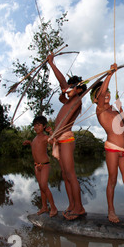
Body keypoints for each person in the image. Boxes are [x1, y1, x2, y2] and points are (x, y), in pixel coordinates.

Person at [90, 64, 124, 223]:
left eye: (108, 93)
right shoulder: (100, 111)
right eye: (103, 94)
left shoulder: (113, 110)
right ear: (96, 98)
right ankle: (111, 211)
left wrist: (120, 107)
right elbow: (101, 93)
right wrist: (110, 75)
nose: (106, 95)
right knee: (112, 180)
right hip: (112, 149)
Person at [46, 53, 86, 221]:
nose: (67, 89)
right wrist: (51, 63)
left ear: (77, 90)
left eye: (71, 87)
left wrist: (55, 135)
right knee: (64, 174)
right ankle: (71, 205)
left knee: (70, 174)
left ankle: (80, 208)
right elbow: (61, 80)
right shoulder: (68, 100)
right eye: (68, 87)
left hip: (67, 139)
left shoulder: (77, 101)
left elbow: (67, 87)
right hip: (59, 140)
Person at [23, 116, 58, 218]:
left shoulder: (45, 137)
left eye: (39, 125)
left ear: (44, 126)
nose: (36, 127)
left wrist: (51, 132)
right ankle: (44, 207)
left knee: (44, 186)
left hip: (44, 165)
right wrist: (29, 143)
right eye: (35, 125)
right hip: (36, 166)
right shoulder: (34, 139)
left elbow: (54, 143)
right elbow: (36, 148)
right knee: (41, 187)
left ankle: (53, 207)